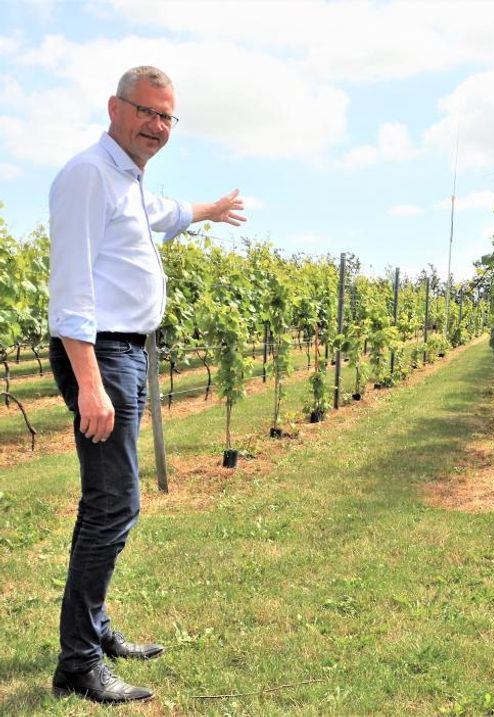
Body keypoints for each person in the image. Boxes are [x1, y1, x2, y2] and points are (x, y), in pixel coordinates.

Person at [47, 65, 246, 704]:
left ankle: (95, 629)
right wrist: (89, 384)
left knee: (112, 502)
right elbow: (72, 287)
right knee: (113, 504)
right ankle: (77, 662)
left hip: (124, 354)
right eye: (147, 112)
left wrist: (209, 211)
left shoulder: (127, 181)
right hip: (99, 355)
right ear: (115, 107)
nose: (157, 126)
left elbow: (160, 214)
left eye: (166, 117)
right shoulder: (88, 175)